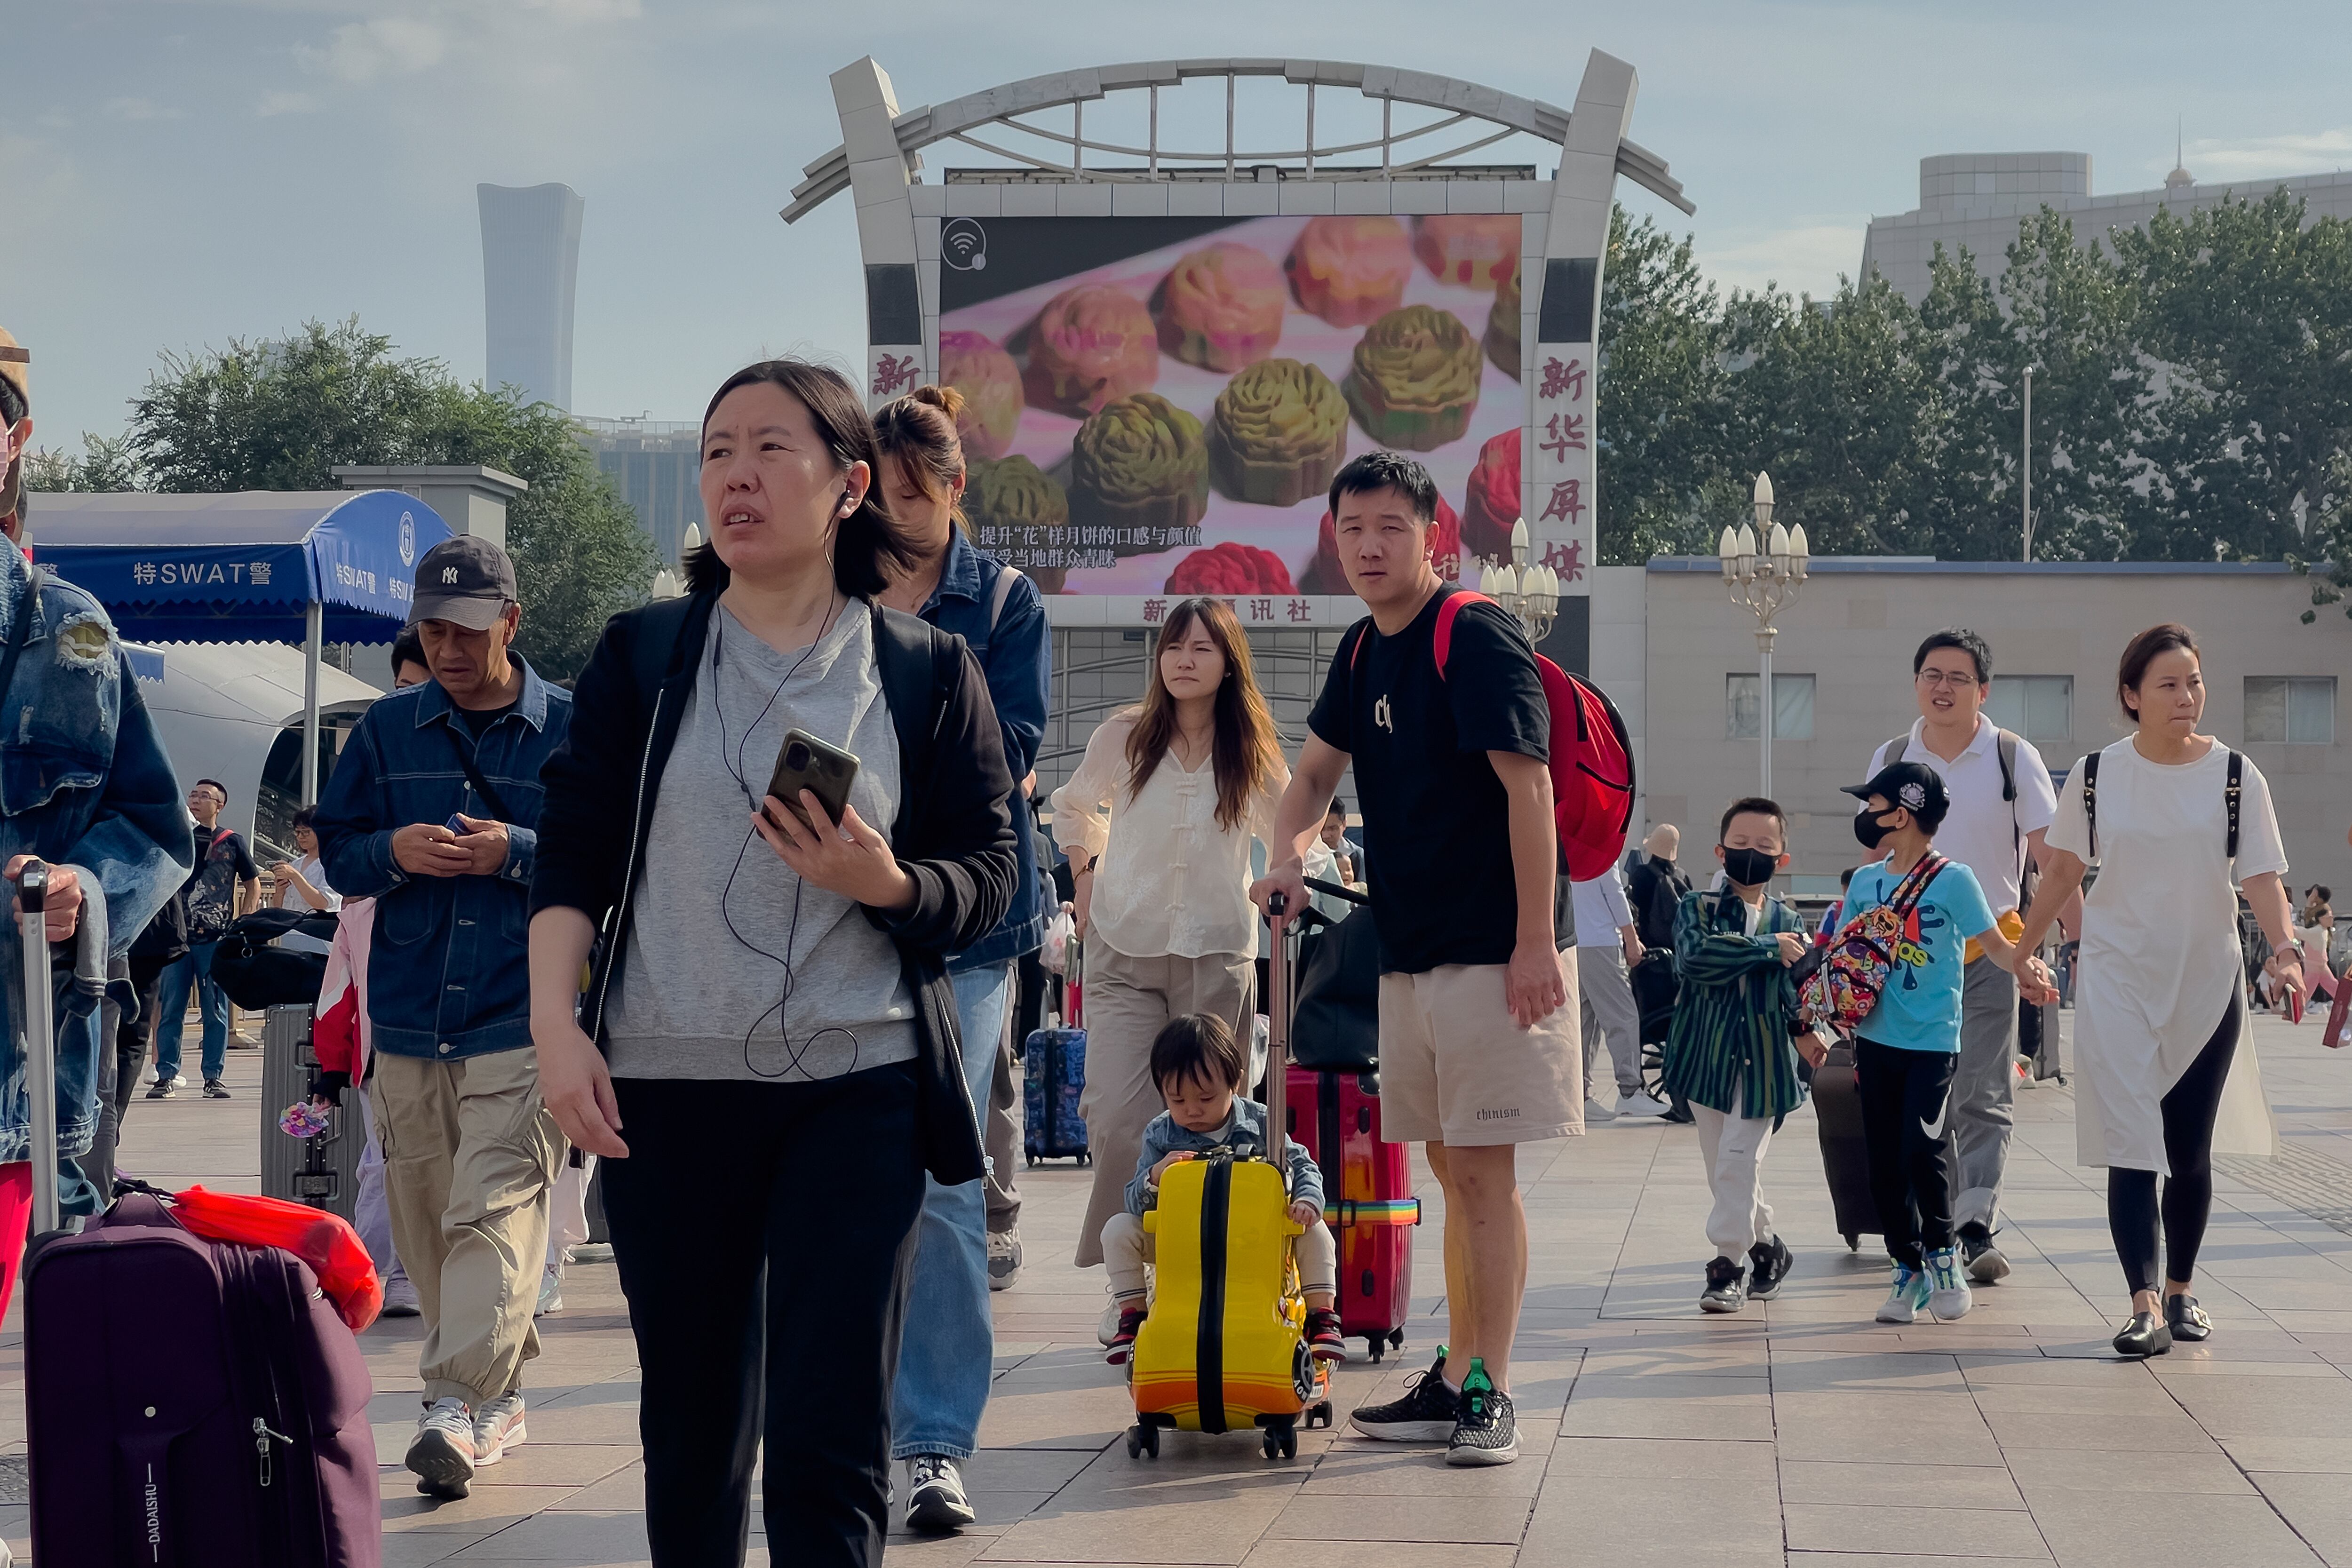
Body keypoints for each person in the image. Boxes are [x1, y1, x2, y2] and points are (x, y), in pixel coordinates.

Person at [528, 358, 1017, 1568]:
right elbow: (573, 853)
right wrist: (556, 1026)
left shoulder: (921, 671)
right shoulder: (642, 657)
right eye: (716, 452)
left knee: (828, 1437)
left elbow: (993, 877)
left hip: (860, 1091)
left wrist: (887, 884)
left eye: (769, 450)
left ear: (851, 484)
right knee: (692, 1435)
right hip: (666, 1089)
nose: (735, 477)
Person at [1256, 450, 1580, 1468]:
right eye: (1351, 528)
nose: (1367, 546)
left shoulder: (1471, 632)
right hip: (1408, 955)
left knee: (1484, 1172)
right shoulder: (1360, 652)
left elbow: (1529, 793)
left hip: (1495, 952)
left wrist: (1533, 942)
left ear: (1434, 534)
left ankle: (1493, 1387)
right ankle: (1454, 1372)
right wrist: (1285, 855)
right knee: (1447, 1167)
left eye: (1388, 526)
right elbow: (1310, 778)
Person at [315, 533, 574, 1499]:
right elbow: (337, 850)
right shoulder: (387, 730)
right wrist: (393, 849)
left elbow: (616, 860)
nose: (449, 648)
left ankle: (452, 1400)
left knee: (493, 1208)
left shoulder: (572, 730)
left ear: (511, 621)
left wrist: (514, 851)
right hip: (413, 1014)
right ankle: (496, 1389)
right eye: (432, 629)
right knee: (428, 1227)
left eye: (467, 629)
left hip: (526, 1009)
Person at [2017, 623, 2302, 1357]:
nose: (2186, 697)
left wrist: (2288, 952)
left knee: (2189, 1146)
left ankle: (2181, 1289)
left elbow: (2263, 878)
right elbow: (2061, 873)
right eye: (2169, 685)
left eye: (2195, 682)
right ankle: (2141, 1303)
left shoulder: (2237, 775)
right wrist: (2022, 954)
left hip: (2207, 980)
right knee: (2131, 1144)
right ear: (2132, 696)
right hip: (2117, 976)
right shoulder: (2097, 773)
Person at [871, 384, 1051, 1532]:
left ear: (954, 488)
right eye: (871, 496)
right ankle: (838, 1423)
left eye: (909, 495)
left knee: (943, 1178)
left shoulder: (1004, 601)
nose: (890, 518)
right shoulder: (827, 584)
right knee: (838, 1177)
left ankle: (931, 1443)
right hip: (840, 909)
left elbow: (1018, 747)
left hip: (972, 922)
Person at [1052, 596, 1326, 1301]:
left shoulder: (1254, 755)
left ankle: (1209, 1273)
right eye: (1174, 646)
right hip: (1123, 943)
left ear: (1229, 662)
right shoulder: (1124, 735)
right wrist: (1085, 877)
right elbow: (1074, 807)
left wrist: (1295, 870)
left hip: (1216, 953)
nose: (1184, 659)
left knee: (1210, 1117)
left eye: (1203, 648)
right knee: (1116, 1114)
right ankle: (1128, 1283)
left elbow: (1298, 830)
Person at [0, 318, 189, 1304]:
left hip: (16, 1079)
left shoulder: (69, 634)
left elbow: (156, 827)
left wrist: (83, 882)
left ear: (13, 439)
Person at [1860, 629, 2061, 1287]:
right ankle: (1936, 1226)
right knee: (1924, 1094)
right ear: (1916, 682)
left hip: (1991, 947)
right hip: (1911, 958)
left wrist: (2058, 948)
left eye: (1957, 676)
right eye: (1930, 674)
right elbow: (1874, 863)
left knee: (1983, 1089)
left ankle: (1976, 1223)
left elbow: (2053, 861)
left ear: (1984, 690)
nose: (1942, 687)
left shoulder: (2011, 756)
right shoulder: (1892, 756)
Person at [1838, 761, 2054, 1328]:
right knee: (1882, 1165)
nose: (1865, 814)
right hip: (1874, 1040)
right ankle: (1905, 1268)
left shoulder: (1954, 879)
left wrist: (2026, 968)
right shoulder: (1863, 884)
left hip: (1933, 1043)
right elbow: (1846, 962)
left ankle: (1941, 1256)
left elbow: (1994, 947)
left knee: (1922, 1150)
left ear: (1901, 813)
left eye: (1873, 804)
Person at [1102, 1012, 1342, 1361]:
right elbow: (1133, 1203)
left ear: (1235, 1082)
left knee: (1317, 1231)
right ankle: (1133, 1317)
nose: (1193, 1110)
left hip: (1254, 1239)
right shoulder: (1161, 1133)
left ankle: (1323, 1318)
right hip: (1182, 1240)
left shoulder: (1261, 1121)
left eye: (1206, 1098)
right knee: (1116, 1229)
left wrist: (1306, 1199)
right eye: (1178, 1101)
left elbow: (1302, 1163)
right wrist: (1154, 1176)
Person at [1662, 798, 1817, 1313]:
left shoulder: (1791, 919)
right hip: (1705, 1060)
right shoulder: (1696, 909)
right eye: (1741, 845)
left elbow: (1792, 991)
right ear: (1720, 851)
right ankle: (1769, 1247)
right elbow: (1695, 959)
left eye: (1764, 847)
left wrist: (1805, 1031)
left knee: (1734, 1164)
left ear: (1782, 859)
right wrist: (1767, 948)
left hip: (1765, 1066)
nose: (1751, 854)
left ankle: (1725, 1267)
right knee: (1726, 1172)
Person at [148, 778, 261, 1100]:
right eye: (193, 794)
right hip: (176, 938)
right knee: (171, 1008)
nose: (196, 799)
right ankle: (166, 1073)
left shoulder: (232, 841)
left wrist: (246, 916)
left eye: (205, 796)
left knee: (215, 1009)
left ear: (219, 805)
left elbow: (253, 881)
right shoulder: (179, 838)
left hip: (216, 938)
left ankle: (213, 1076)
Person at [1573, 860, 1669, 1120]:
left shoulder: (1570, 844)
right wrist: (1632, 938)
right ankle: (1630, 1092)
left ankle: (1578, 1097)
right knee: (1623, 1017)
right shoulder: (1601, 847)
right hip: (1601, 940)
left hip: (1576, 941)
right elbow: (1614, 893)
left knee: (1585, 1022)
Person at [1626, 824, 1689, 953]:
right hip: (1678, 948)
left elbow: (1634, 910)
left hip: (1649, 948)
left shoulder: (1641, 874)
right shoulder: (1683, 877)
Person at [271, 806, 339, 913]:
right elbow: (278, 908)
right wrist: (280, 891)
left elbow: (323, 903)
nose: (300, 837)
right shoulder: (296, 864)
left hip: (318, 926)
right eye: (297, 832)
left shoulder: (333, 864)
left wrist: (295, 876)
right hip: (289, 925)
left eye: (306, 832)